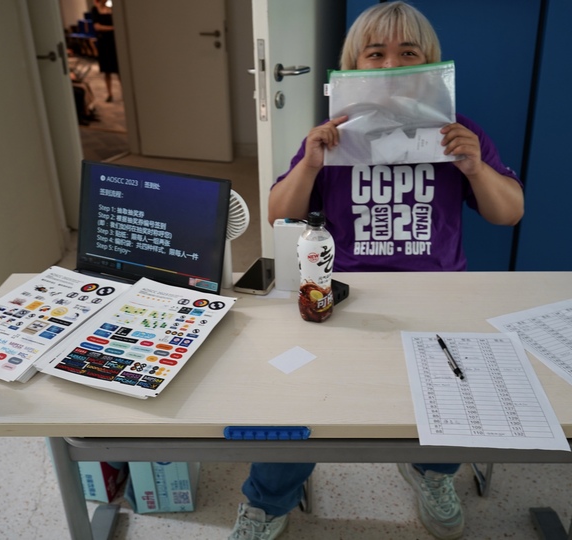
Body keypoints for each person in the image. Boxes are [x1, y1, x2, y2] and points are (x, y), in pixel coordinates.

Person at [228, 3, 524, 540]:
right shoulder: (333, 135)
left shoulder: (458, 133)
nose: (390, 66)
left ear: (428, 64)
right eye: (376, 54)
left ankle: (431, 473)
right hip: (343, 291)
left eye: (407, 54)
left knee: (453, 399)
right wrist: (309, 163)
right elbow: (276, 213)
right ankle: (269, 501)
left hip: (439, 295)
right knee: (294, 400)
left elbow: (509, 213)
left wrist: (476, 167)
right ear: (354, 66)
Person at [91, 0, 120, 102]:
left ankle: (124, 92)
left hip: (114, 42)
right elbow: (97, 27)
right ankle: (110, 93)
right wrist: (113, 28)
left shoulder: (112, 8)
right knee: (106, 70)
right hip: (104, 42)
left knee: (119, 70)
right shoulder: (95, 9)